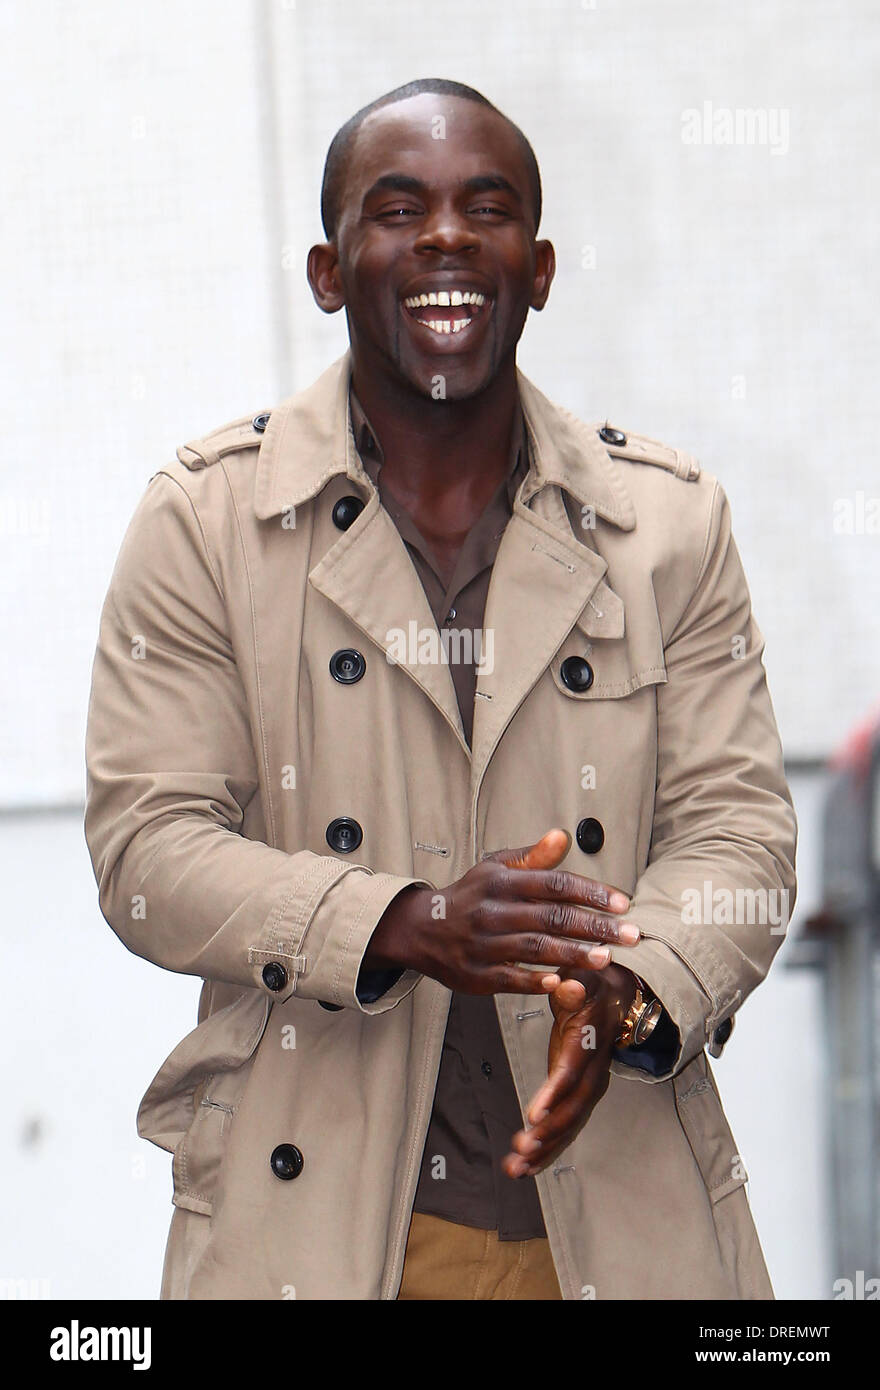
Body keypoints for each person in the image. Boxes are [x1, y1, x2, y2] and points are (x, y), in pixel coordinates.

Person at [84, 77, 797, 1300]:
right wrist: (402, 921)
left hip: (623, 1220)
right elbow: (146, 849)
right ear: (328, 268)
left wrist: (625, 998)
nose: (448, 238)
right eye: (398, 208)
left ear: (540, 266)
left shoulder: (665, 523)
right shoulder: (208, 520)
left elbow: (742, 836)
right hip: (311, 1222)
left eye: (488, 207)